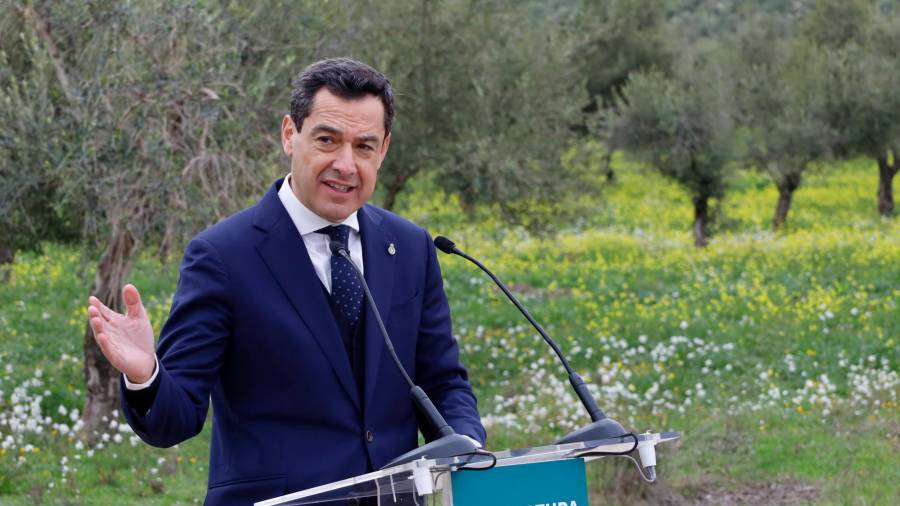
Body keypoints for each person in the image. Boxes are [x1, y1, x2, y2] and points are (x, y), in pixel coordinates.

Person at [87, 57, 486, 505]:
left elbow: (444, 384)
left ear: (384, 150)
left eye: (364, 146)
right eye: (327, 140)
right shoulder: (222, 256)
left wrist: (467, 448)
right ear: (289, 135)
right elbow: (173, 420)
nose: (345, 164)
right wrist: (147, 376)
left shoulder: (410, 247)